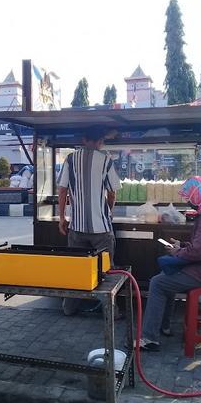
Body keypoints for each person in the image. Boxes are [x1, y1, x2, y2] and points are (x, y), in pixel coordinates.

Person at [141, 175, 201, 352]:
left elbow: (199, 252)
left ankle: (149, 338)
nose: (190, 205)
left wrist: (178, 252)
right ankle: (163, 327)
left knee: (158, 282)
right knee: (167, 275)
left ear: (198, 195)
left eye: (190, 200)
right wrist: (183, 246)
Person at [58, 125, 121, 315]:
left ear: (84, 140)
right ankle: (110, 311)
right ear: (101, 142)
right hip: (101, 229)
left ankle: (69, 308)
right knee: (106, 271)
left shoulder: (70, 159)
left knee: (76, 269)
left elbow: (62, 190)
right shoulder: (106, 161)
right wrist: (108, 212)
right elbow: (112, 192)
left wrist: (62, 218)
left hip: (76, 228)